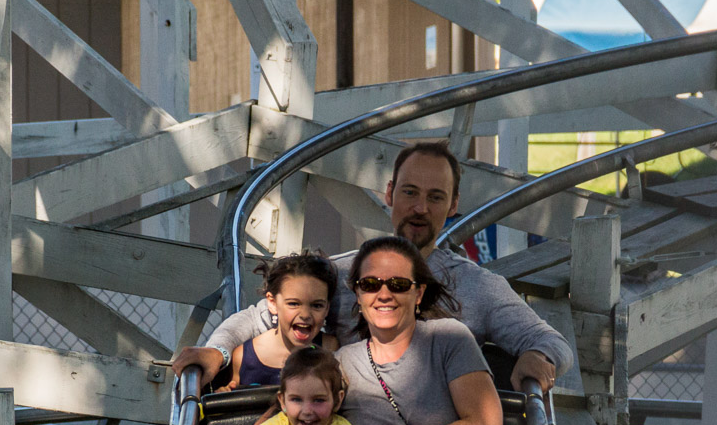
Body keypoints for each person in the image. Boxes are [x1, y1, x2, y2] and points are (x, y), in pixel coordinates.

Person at [174, 141, 573, 393]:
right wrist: (217, 352)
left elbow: (550, 341)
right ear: (389, 194)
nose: (420, 208)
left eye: (435, 197)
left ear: (453, 207)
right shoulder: (337, 272)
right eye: (410, 193)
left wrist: (541, 358)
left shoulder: (478, 286)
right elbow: (262, 316)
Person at [336, 236, 501, 425]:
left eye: (398, 284)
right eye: (370, 284)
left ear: (419, 294)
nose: (384, 294)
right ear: (358, 295)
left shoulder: (448, 338)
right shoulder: (342, 362)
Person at [223, 251, 338, 390]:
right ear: (272, 303)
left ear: (327, 308)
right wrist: (224, 393)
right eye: (294, 304)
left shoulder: (330, 349)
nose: (305, 314)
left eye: (317, 305)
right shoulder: (243, 357)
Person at [231, 348, 356, 425]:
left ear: (337, 400)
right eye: (296, 399)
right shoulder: (282, 424)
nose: (307, 411)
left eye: (318, 400)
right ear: (282, 401)